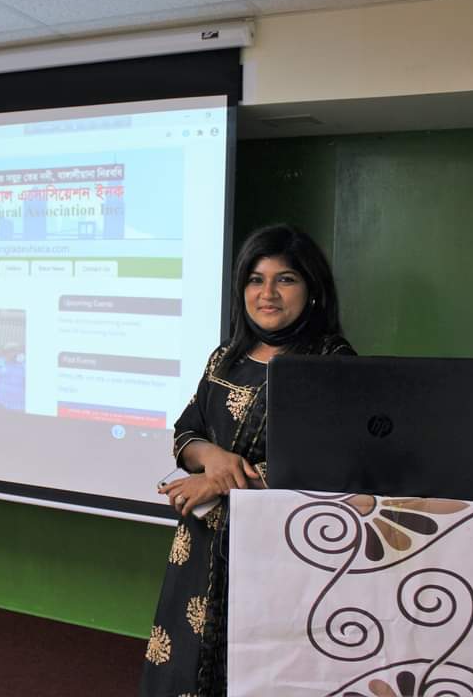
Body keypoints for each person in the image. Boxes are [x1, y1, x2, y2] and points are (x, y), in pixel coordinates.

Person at [139, 224, 355, 697]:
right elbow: (187, 431)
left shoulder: (331, 363)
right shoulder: (226, 356)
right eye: (256, 279)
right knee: (185, 663)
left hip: (281, 551)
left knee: (259, 670)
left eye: (285, 279)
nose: (267, 293)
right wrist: (213, 458)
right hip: (200, 547)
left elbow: (329, 458)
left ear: (313, 289)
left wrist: (219, 482)